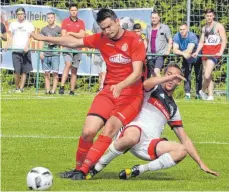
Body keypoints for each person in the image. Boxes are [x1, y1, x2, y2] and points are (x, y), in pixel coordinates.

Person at [31, 8, 146, 180]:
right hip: (109, 92)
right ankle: (77, 168)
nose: (107, 31)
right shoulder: (101, 39)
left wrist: (121, 85)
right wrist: (44, 38)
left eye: (109, 27)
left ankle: (84, 171)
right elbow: (72, 42)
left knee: (109, 129)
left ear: (116, 21)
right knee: (88, 131)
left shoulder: (134, 39)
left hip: (131, 95)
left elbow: (137, 73)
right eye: (103, 28)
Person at [85, 63, 219, 180]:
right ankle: (96, 168)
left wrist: (201, 163)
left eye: (175, 77)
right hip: (133, 130)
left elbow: (185, 139)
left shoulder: (173, 109)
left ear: (179, 82)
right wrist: (166, 78)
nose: (171, 79)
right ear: (164, 75)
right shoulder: (154, 89)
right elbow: (145, 84)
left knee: (181, 151)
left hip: (150, 143)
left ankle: (139, 170)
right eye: (169, 74)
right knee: (132, 136)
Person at [192, 8, 227, 101]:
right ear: (205, 16)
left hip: (214, 53)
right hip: (205, 53)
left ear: (214, 16)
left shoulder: (218, 26)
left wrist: (221, 51)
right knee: (207, 75)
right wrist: (196, 52)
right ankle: (210, 96)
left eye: (211, 16)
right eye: (207, 16)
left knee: (207, 75)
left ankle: (202, 91)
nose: (209, 18)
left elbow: (224, 40)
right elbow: (201, 42)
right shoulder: (204, 28)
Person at [5, 7, 34, 93]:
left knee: (25, 71)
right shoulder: (13, 24)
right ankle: (17, 87)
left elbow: (30, 37)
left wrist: (26, 46)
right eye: (18, 14)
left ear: (24, 14)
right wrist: (7, 44)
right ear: (16, 15)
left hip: (25, 50)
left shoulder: (29, 24)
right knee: (17, 70)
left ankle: (21, 89)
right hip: (15, 50)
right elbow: (10, 36)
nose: (20, 15)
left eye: (21, 14)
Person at [59, 3, 86, 95]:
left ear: (77, 11)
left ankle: (72, 90)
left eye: (75, 10)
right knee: (68, 64)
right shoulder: (65, 21)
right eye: (72, 10)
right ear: (69, 11)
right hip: (67, 47)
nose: (73, 12)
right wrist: (75, 34)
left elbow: (82, 35)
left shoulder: (81, 22)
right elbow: (63, 35)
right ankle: (62, 87)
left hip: (78, 48)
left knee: (74, 70)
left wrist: (70, 33)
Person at [173, 23, 202, 99]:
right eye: (180, 29)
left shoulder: (192, 36)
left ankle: (198, 94)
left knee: (198, 76)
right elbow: (174, 50)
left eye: (184, 29)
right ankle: (187, 94)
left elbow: (189, 50)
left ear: (187, 29)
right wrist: (183, 53)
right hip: (186, 57)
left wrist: (182, 52)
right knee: (186, 75)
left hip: (196, 57)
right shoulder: (177, 36)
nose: (182, 31)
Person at [39, 12, 61, 94]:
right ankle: (47, 90)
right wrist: (41, 52)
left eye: (52, 18)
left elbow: (61, 40)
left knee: (55, 73)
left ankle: (53, 90)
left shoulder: (59, 29)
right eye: (48, 18)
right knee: (46, 73)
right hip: (45, 53)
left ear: (54, 18)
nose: (50, 19)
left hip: (55, 53)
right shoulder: (43, 29)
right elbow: (41, 41)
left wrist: (56, 44)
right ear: (47, 19)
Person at [146, 11, 172, 77]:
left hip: (160, 54)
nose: (154, 19)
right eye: (152, 18)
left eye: (155, 18)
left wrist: (168, 50)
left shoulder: (165, 28)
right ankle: (156, 86)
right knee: (152, 74)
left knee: (156, 71)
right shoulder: (148, 28)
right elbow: (147, 40)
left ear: (159, 18)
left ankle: (161, 86)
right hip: (150, 54)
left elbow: (170, 39)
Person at [92, 22, 106, 91]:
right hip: (97, 51)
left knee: (104, 72)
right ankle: (101, 87)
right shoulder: (95, 24)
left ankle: (101, 88)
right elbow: (93, 35)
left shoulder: (108, 23)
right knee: (100, 73)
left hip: (105, 51)